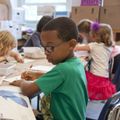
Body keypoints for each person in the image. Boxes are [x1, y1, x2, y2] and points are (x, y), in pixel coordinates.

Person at [10, 17, 88, 120]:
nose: (46, 52)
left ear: (71, 44)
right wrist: (38, 75)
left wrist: (21, 82)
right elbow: (64, 80)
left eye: (50, 48)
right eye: (44, 47)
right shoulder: (76, 63)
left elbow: (28, 91)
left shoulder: (63, 69)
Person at [75, 22, 116, 100]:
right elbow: (100, 56)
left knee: (80, 75)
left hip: (95, 76)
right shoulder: (109, 47)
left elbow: (77, 48)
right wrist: (90, 57)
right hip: (104, 77)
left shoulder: (93, 46)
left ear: (95, 35)